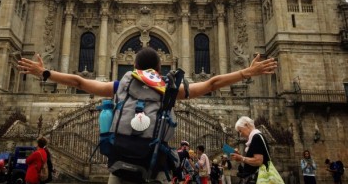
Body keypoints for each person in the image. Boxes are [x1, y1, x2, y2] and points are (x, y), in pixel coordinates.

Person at [18, 48, 276, 184]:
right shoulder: (168, 90)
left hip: (120, 165)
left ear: (134, 68)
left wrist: (45, 73)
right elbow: (212, 83)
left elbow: (79, 82)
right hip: (154, 165)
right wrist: (246, 72)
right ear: (160, 68)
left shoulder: (122, 86)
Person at [230, 116, 270, 184]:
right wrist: (240, 157)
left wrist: (242, 158)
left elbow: (258, 161)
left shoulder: (256, 137)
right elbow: (253, 160)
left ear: (246, 125)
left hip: (257, 179)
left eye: (240, 131)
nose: (240, 134)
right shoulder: (255, 137)